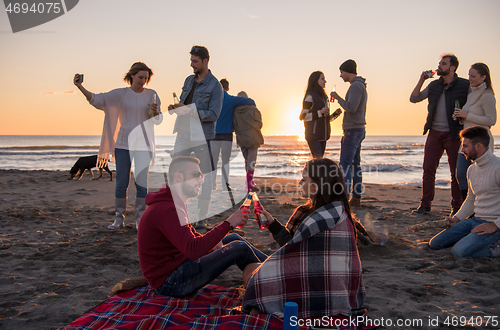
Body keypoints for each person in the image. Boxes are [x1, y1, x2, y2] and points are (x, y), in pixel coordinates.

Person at [242, 158, 365, 318]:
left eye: (304, 179)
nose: (299, 182)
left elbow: (292, 250)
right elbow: (296, 247)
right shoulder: (339, 211)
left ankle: (263, 305)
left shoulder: (317, 218)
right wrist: (272, 224)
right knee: (249, 258)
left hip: (317, 290)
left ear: (317, 185)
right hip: (340, 292)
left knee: (250, 270)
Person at [137, 156, 267, 298]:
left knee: (233, 238)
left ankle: (274, 265)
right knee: (238, 248)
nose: (201, 179)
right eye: (196, 175)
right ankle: (272, 275)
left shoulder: (174, 203)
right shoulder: (168, 209)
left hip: (177, 268)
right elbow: (193, 250)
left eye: (201, 175)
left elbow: (190, 237)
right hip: (171, 283)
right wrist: (228, 224)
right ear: (179, 177)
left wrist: (215, 241)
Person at [74, 62, 163, 230]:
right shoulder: (120, 94)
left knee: (141, 183)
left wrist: (155, 113)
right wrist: (80, 86)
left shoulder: (152, 95)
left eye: (145, 78)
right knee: (122, 182)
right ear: (131, 76)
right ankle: (119, 218)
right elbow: (96, 99)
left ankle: (140, 219)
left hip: (144, 145)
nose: (143, 81)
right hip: (123, 144)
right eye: (140, 77)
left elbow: (158, 121)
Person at [168, 46, 223, 228]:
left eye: (195, 61)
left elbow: (213, 114)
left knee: (203, 176)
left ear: (205, 61)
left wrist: (190, 111)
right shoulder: (189, 80)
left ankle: (201, 218)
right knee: (175, 171)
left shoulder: (215, 86)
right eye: (191, 61)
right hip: (183, 133)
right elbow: (185, 105)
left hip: (202, 136)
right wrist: (176, 108)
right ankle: (174, 212)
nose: (191, 64)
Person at [410, 54, 470, 215]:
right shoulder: (435, 85)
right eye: (439, 63)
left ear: (452, 67)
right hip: (434, 133)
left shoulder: (464, 85)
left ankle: (457, 206)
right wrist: (422, 80)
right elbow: (414, 98)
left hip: (455, 134)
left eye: (443, 64)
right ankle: (425, 205)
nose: (439, 66)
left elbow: (473, 105)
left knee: (455, 172)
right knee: (428, 169)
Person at [429, 126, 500, 258]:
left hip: (494, 224)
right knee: (435, 243)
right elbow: (471, 199)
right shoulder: (472, 170)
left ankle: (495, 249)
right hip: (475, 221)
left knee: (459, 252)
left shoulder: (498, 167)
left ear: (478, 146)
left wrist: (495, 225)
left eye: (465, 146)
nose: (462, 150)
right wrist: (457, 218)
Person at [453, 63, 496, 202]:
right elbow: (469, 118)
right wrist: (460, 118)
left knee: (479, 179)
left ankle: (478, 209)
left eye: (473, 76)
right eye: (469, 75)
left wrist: (467, 115)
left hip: (481, 143)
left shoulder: (487, 96)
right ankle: (468, 208)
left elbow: (491, 120)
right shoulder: (472, 94)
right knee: (461, 175)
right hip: (466, 143)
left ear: (483, 77)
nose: (470, 79)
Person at [330, 59, 367, 207]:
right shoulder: (358, 85)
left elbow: (351, 107)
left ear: (348, 71)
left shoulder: (356, 86)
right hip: (357, 129)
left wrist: (338, 97)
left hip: (352, 130)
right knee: (355, 164)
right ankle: (356, 197)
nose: (341, 76)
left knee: (345, 164)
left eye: (342, 72)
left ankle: (344, 197)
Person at [211, 79, 255, 191]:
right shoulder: (231, 99)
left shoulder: (213, 99)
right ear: (228, 88)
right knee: (225, 161)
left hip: (214, 135)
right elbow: (250, 101)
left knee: (214, 160)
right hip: (226, 135)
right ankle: (225, 184)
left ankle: (212, 184)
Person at [300, 71, 342, 159]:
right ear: (316, 81)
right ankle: (311, 172)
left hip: (323, 136)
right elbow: (302, 117)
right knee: (318, 162)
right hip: (313, 136)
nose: (325, 81)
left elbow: (326, 119)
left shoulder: (325, 97)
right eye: (322, 79)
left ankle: (314, 173)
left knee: (319, 161)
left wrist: (335, 114)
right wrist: (319, 112)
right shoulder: (310, 96)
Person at [233, 91, 264, 191]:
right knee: (251, 161)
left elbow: (233, 125)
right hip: (253, 137)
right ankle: (249, 184)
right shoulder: (253, 108)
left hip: (241, 138)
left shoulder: (234, 110)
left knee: (247, 161)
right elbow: (260, 123)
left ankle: (249, 183)